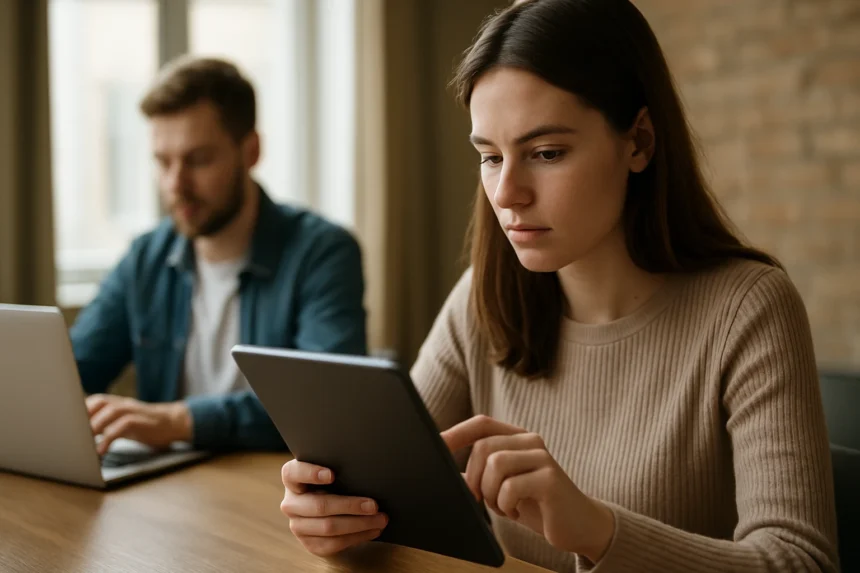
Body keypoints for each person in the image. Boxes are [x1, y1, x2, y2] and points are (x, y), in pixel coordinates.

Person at [277, 0, 839, 571]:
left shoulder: (750, 308)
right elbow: (382, 482)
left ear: (639, 142)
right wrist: (335, 510)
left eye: (546, 153)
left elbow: (801, 562)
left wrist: (597, 530)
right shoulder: (483, 298)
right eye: (491, 157)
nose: (507, 193)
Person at [71, 57, 367, 455]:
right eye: (163, 162)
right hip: (166, 488)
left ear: (250, 151)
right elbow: (72, 373)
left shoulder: (323, 252)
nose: (176, 184)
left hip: (277, 493)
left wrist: (177, 421)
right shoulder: (146, 258)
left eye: (198, 160)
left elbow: (325, 403)